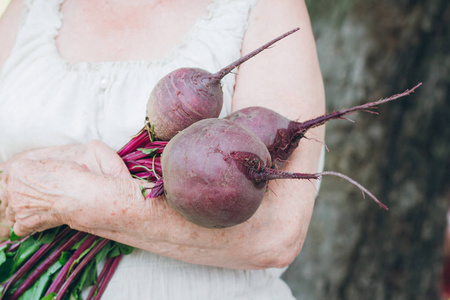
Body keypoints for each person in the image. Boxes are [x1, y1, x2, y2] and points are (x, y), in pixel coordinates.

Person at [0, 0, 325, 298]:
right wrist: (26, 178)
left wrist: (70, 196)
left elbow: (275, 235)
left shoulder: (264, 7)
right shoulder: (28, 9)